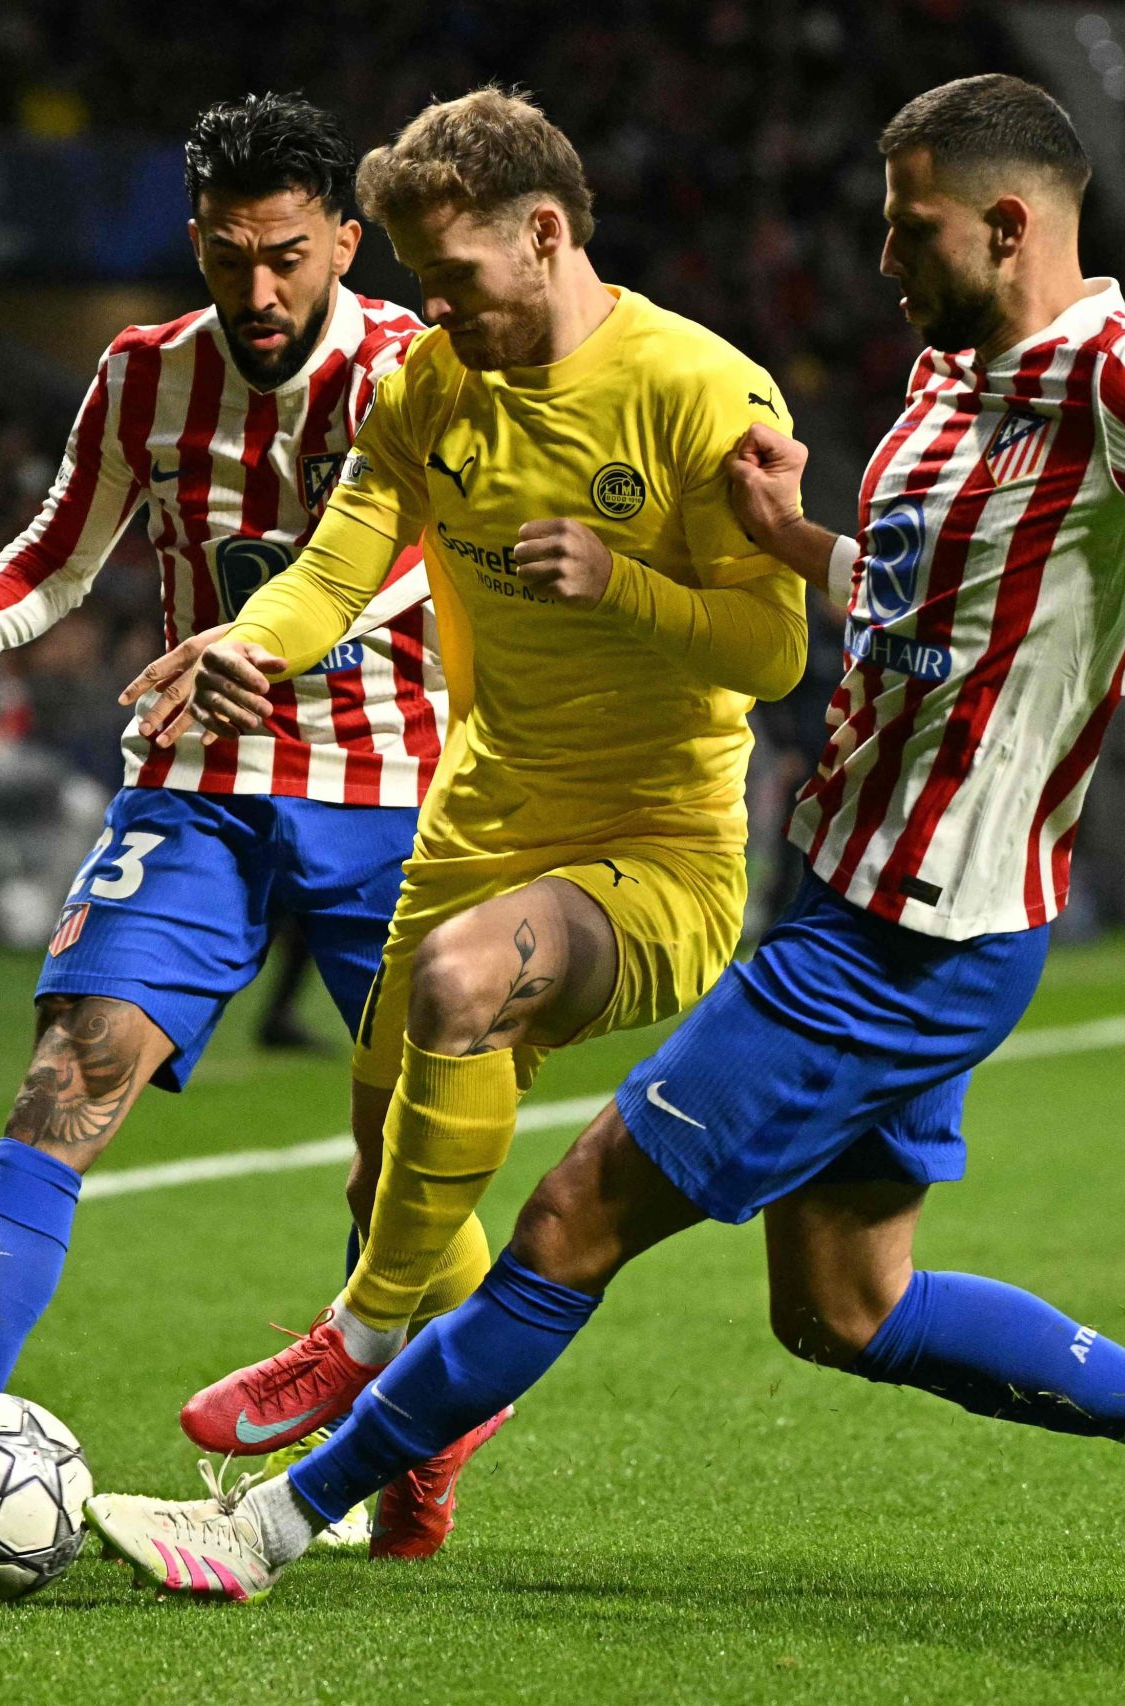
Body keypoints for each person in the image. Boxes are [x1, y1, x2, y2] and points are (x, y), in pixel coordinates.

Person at [87, 74, 1125, 1605]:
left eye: (910, 226)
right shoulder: (948, 384)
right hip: (860, 893)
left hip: (911, 936)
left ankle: (265, 1524)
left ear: (1010, 227)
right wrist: (790, 533)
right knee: (847, 1308)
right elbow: (911, 604)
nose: (881, 258)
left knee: (571, 1221)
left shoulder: (1121, 386)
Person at [126, 89, 808, 1511]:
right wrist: (251, 642)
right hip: (479, 824)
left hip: (658, 851)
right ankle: (434, 1436)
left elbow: (778, 650)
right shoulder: (435, 385)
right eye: (420, 282)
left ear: (545, 232)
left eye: (456, 276)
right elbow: (336, 562)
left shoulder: (700, 390)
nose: (433, 310)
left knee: (457, 978)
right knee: (384, 1175)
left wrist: (622, 582)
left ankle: (361, 1336)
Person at [0, 94, 456, 1557]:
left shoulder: (416, 369)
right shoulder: (144, 372)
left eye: (285, 254)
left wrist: (277, 636)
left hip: (402, 796)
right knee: (68, 1076)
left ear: (346, 240)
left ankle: (399, 1450)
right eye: (228, 256)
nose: (258, 288)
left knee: (410, 1157)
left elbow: (431, 550)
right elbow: (64, 540)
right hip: (201, 787)